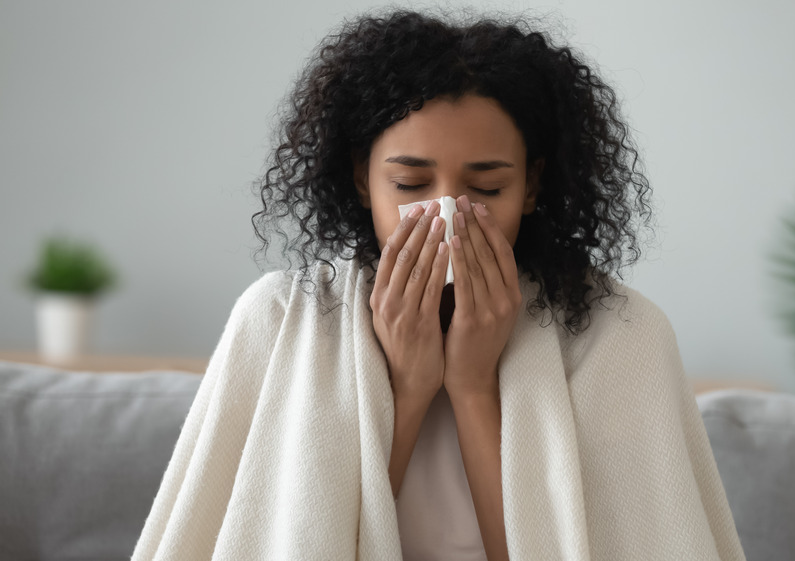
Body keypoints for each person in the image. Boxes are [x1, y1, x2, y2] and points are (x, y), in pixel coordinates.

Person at [131, 9, 746, 561]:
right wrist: (407, 387)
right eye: (409, 185)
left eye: (485, 188)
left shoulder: (619, 333)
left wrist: (474, 386)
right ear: (360, 179)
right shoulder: (280, 319)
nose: (447, 215)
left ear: (531, 187)